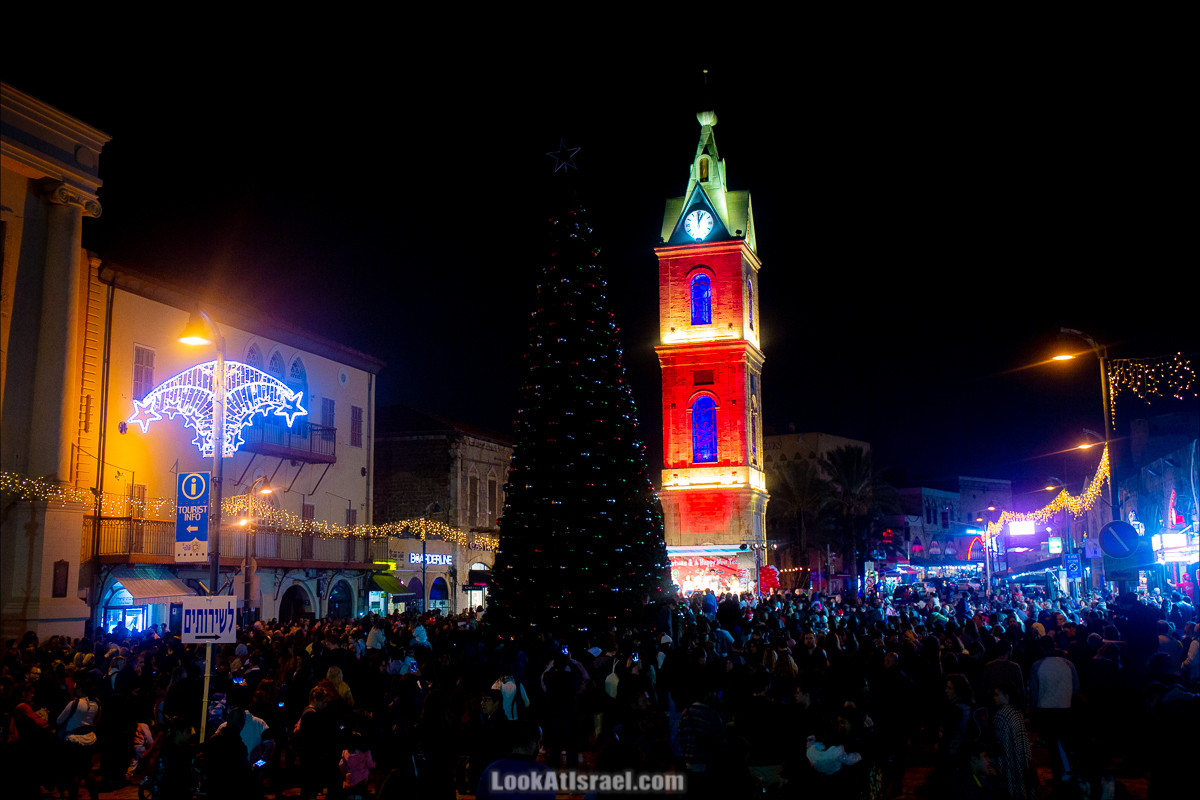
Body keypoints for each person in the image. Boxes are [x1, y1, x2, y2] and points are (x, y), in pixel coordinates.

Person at [57, 677, 102, 800]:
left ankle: (73, 796)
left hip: (73, 741)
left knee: (73, 773)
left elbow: (59, 720)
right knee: (87, 771)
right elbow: (96, 721)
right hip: (90, 740)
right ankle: (94, 797)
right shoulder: (96, 703)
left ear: (81, 689)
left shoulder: (75, 703)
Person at [990, 682, 1033, 799]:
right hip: (1020, 761)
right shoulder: (1017, 713)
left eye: (997, 694)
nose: (994, 698)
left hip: (1007, 764)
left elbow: (999, 745)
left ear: (1006, 696)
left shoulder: (1001, 715)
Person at [339, 732, 376, 799]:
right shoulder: (366, 752)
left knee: (351, 795)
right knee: (360, 795)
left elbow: (341, 766)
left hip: (351, 779)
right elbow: (370, 765)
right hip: (362, 779)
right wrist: (375, 765)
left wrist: (345, 776)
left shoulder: (345, 752)